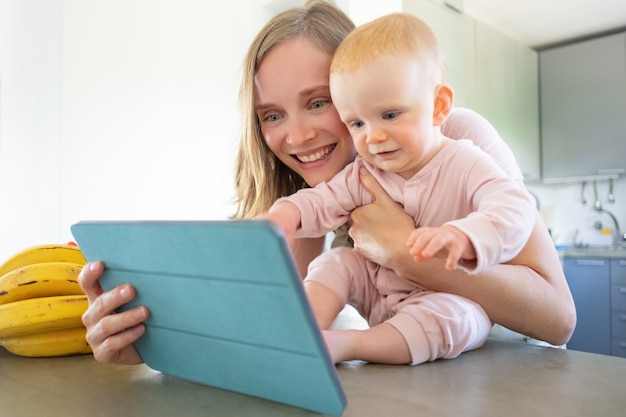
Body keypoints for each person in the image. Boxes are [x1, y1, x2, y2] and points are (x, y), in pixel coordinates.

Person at [79, 0, 575, 365]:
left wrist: (405, 252)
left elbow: (558, 319)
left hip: (505, 370)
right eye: (271, 114)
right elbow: (263, 336)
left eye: (319, 103)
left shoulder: (453, 139)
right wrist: (147, 344)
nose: (296, 135)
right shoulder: (301, 201)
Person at [258, 12, 535, 365]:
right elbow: (321, 201)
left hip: (450, 310)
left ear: (438, 106)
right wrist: (287, 212)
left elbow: (513, 209)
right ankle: (300, 334)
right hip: (383, 297)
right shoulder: (367, 167)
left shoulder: (465, 156)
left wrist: (467, 237)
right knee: (336, 262)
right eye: (357, 122)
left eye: (389, 115)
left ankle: (348, 345)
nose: (372, 137)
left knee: (454, 317)